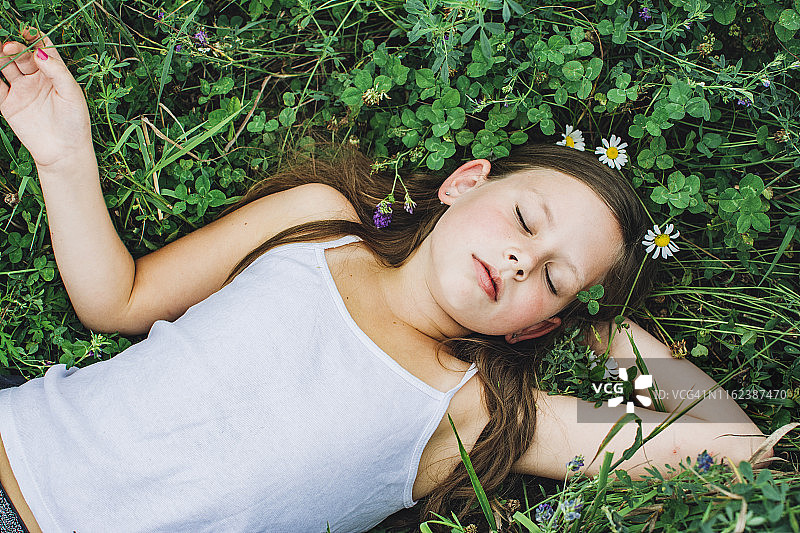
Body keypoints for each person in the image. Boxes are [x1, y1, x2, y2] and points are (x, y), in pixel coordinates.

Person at [0, 28, 771, 533]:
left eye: (552, 276)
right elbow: (119, 299)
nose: (519, 261)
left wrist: (608, 331)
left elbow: (743, 446)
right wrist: (63, 155)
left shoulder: (475, 413)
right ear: (465, 182)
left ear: (537, 327)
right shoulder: (317, 221)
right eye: (524, 221)